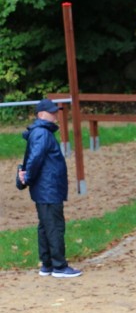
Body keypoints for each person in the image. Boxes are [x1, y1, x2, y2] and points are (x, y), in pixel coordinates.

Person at [18, 99, 81, 278]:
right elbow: (35, 158)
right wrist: (27, 177)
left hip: (46, 188)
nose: (55, 115)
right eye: (51, 112)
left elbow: (34, 158)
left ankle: (47, 265)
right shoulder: (43, 133)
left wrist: (27, 177)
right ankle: (59, 266)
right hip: (48, 188)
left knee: (46, 226)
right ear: (41, 114)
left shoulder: (40, 132)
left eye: (55, 111)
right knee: (54, 226)